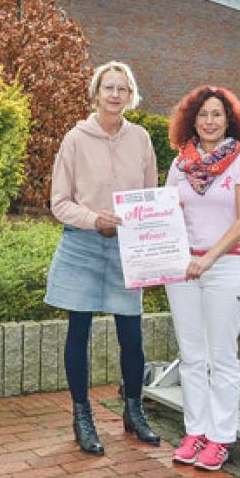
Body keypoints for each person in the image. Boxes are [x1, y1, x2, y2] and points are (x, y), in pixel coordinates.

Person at [45, 61, 160, 456]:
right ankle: (82, 417)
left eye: (122, 89)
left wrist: (147, 240)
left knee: (132, 335)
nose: (115, 95)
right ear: (95, 93)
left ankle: (134, 410)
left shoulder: (141, 139)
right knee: (78, 332)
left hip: (127, 247)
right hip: (82, 244)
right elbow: (59, 202)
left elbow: (150, 197)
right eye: (108, 87)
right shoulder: (75, 139)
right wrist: (94, 219)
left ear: (131, 96)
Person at [164, 86, 240, 471]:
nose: (209, 122)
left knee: (221, 356)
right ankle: (195, 432)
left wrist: (207, 259)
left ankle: (220, 437)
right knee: (191, 355)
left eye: (216, 114)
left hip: (224, 266)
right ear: (192, 120)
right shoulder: (180, 165)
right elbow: (166, 214)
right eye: (202, 115)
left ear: (229, 120)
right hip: (182, 268)